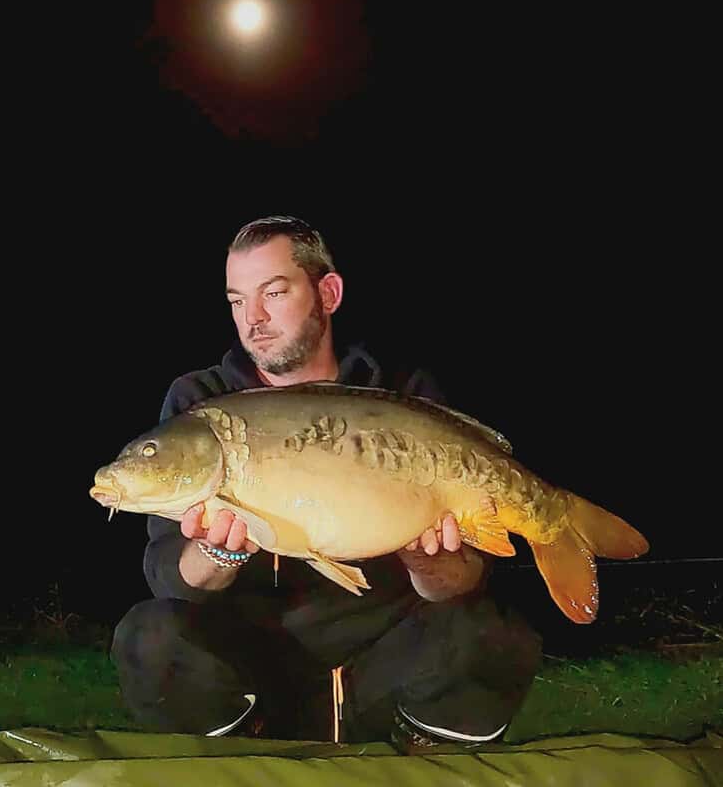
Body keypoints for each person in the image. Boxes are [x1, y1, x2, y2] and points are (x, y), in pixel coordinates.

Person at [110, 215, 541, 751]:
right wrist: (216, 553)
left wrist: (429, 562)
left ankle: (424, 753)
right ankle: (245, 755)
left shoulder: (403, 395)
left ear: (328, 292)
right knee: (148, 636)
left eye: (274, 292)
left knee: (492, 634)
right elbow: (170, 580)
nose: (254, 318)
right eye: (237, 300)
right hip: (261, 674)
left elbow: (463, 581)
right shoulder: (201, 404)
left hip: (385, 663)